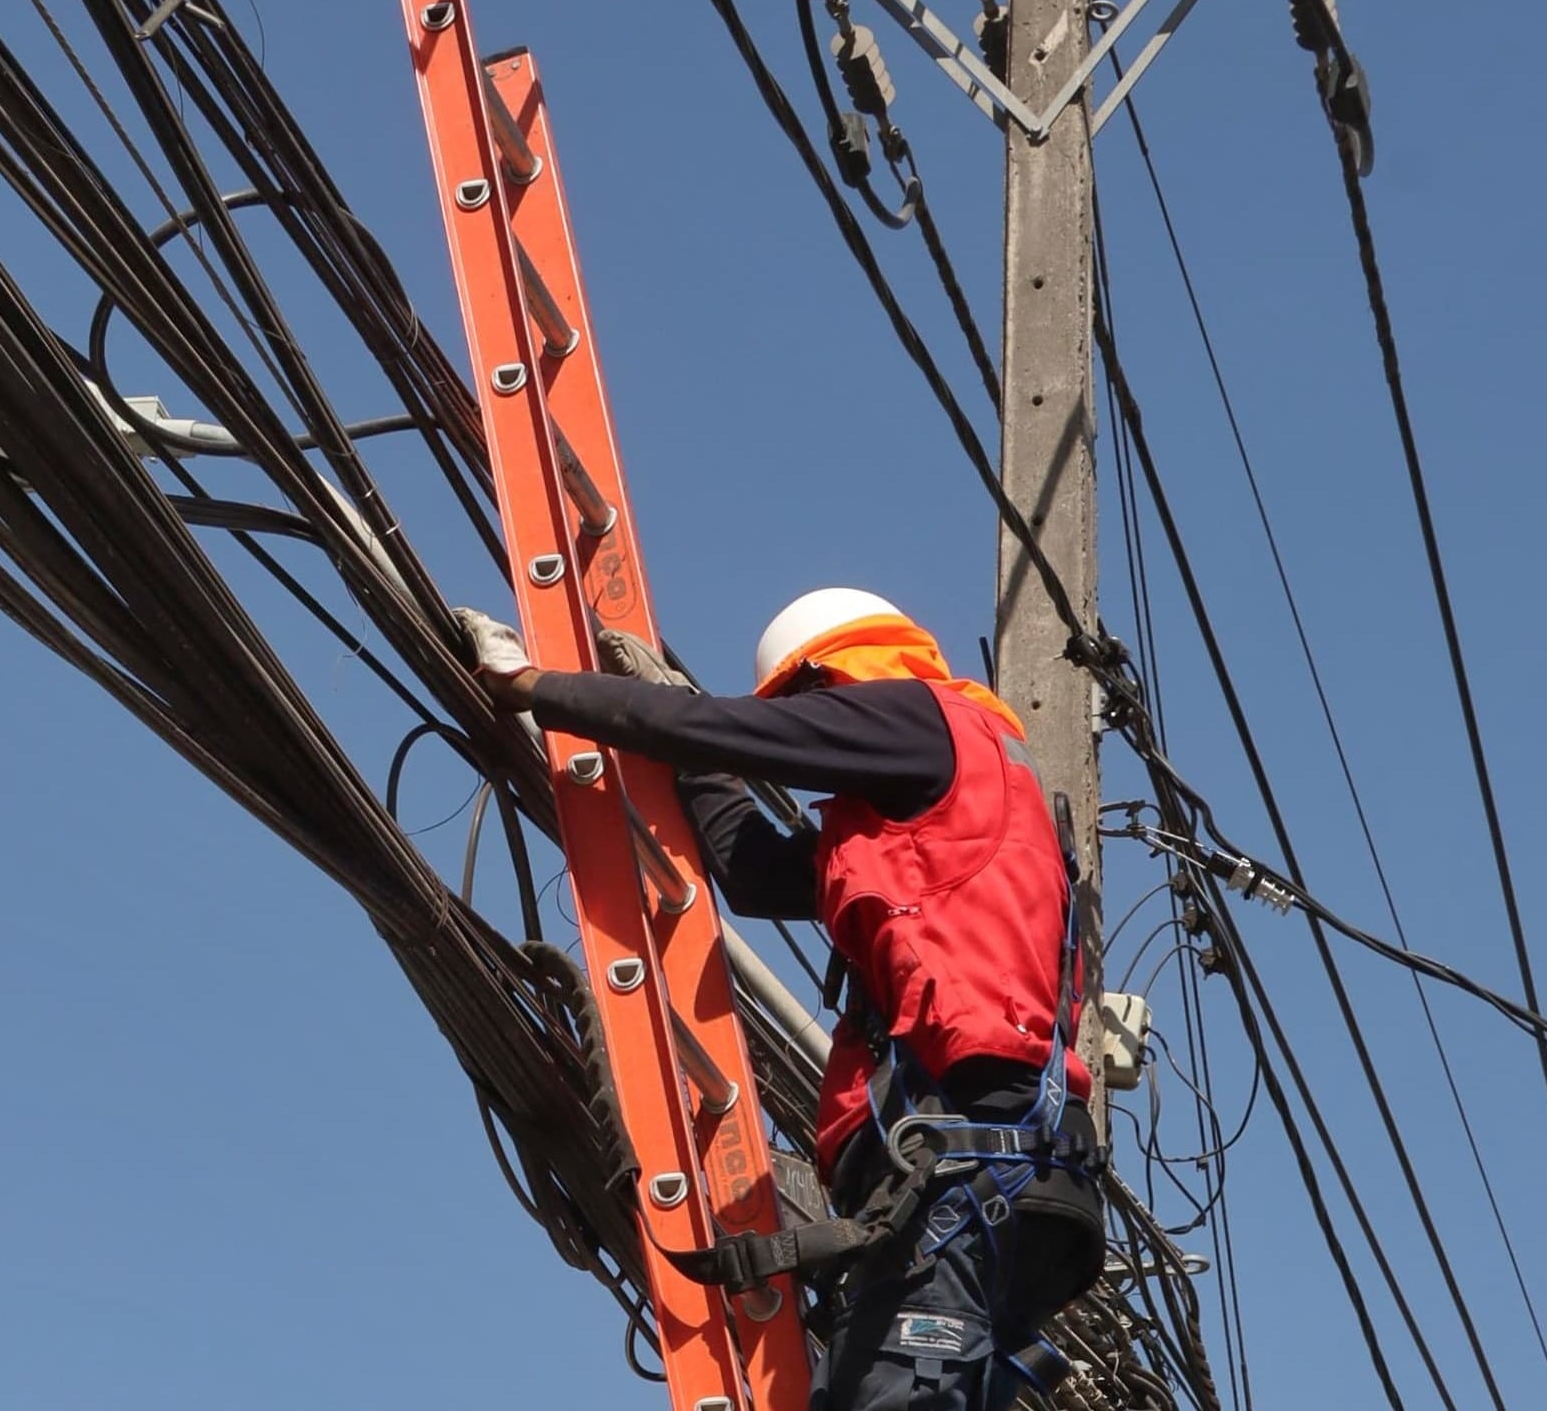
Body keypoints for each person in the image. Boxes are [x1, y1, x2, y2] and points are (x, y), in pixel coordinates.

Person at [453, 588, 1105, 1411]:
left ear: (830, 676)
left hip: (965, 1173)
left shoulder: (924, 720)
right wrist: (693, 759)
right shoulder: (947, 810)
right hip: (1003, 1189)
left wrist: (535, 687)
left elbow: (739, 733)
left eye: (806, 704)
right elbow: (757, 872)